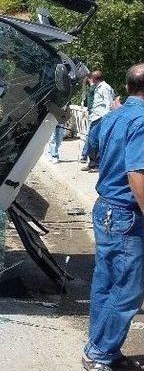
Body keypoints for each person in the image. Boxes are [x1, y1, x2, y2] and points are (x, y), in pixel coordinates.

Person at [82, 63, 144, 371]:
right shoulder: (142, 120)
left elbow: (91, 149)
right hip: (127, 213)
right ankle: (99, 353)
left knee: (106, 282)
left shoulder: (112, 115)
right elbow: (136, 173)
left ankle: (103, 347)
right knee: (128, 288)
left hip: (106, 207)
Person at [81, 71, 115, 172]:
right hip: (94, 117)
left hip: (101, 117)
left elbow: (109, 103)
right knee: (91, 141)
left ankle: (97, 165)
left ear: (95, 78)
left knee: (96, 141)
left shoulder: (105, 87)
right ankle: (92, 163)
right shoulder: (98, 87)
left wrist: (107, 119)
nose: (90, 80)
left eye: (91, 78)